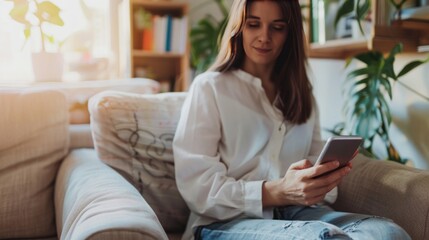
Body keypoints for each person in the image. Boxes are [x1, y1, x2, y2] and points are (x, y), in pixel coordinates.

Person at [173, 0, 411, 239]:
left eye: (277, 27)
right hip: (226, 222)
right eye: (253, 24)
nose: (264, 37)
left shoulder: (301, 94)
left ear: (290, 33)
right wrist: (278, 191)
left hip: (299, 212)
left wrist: (317, 181)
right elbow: (199, 189)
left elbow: (315, 165)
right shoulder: (210, 88)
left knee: (388, 233)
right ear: (239, 27)